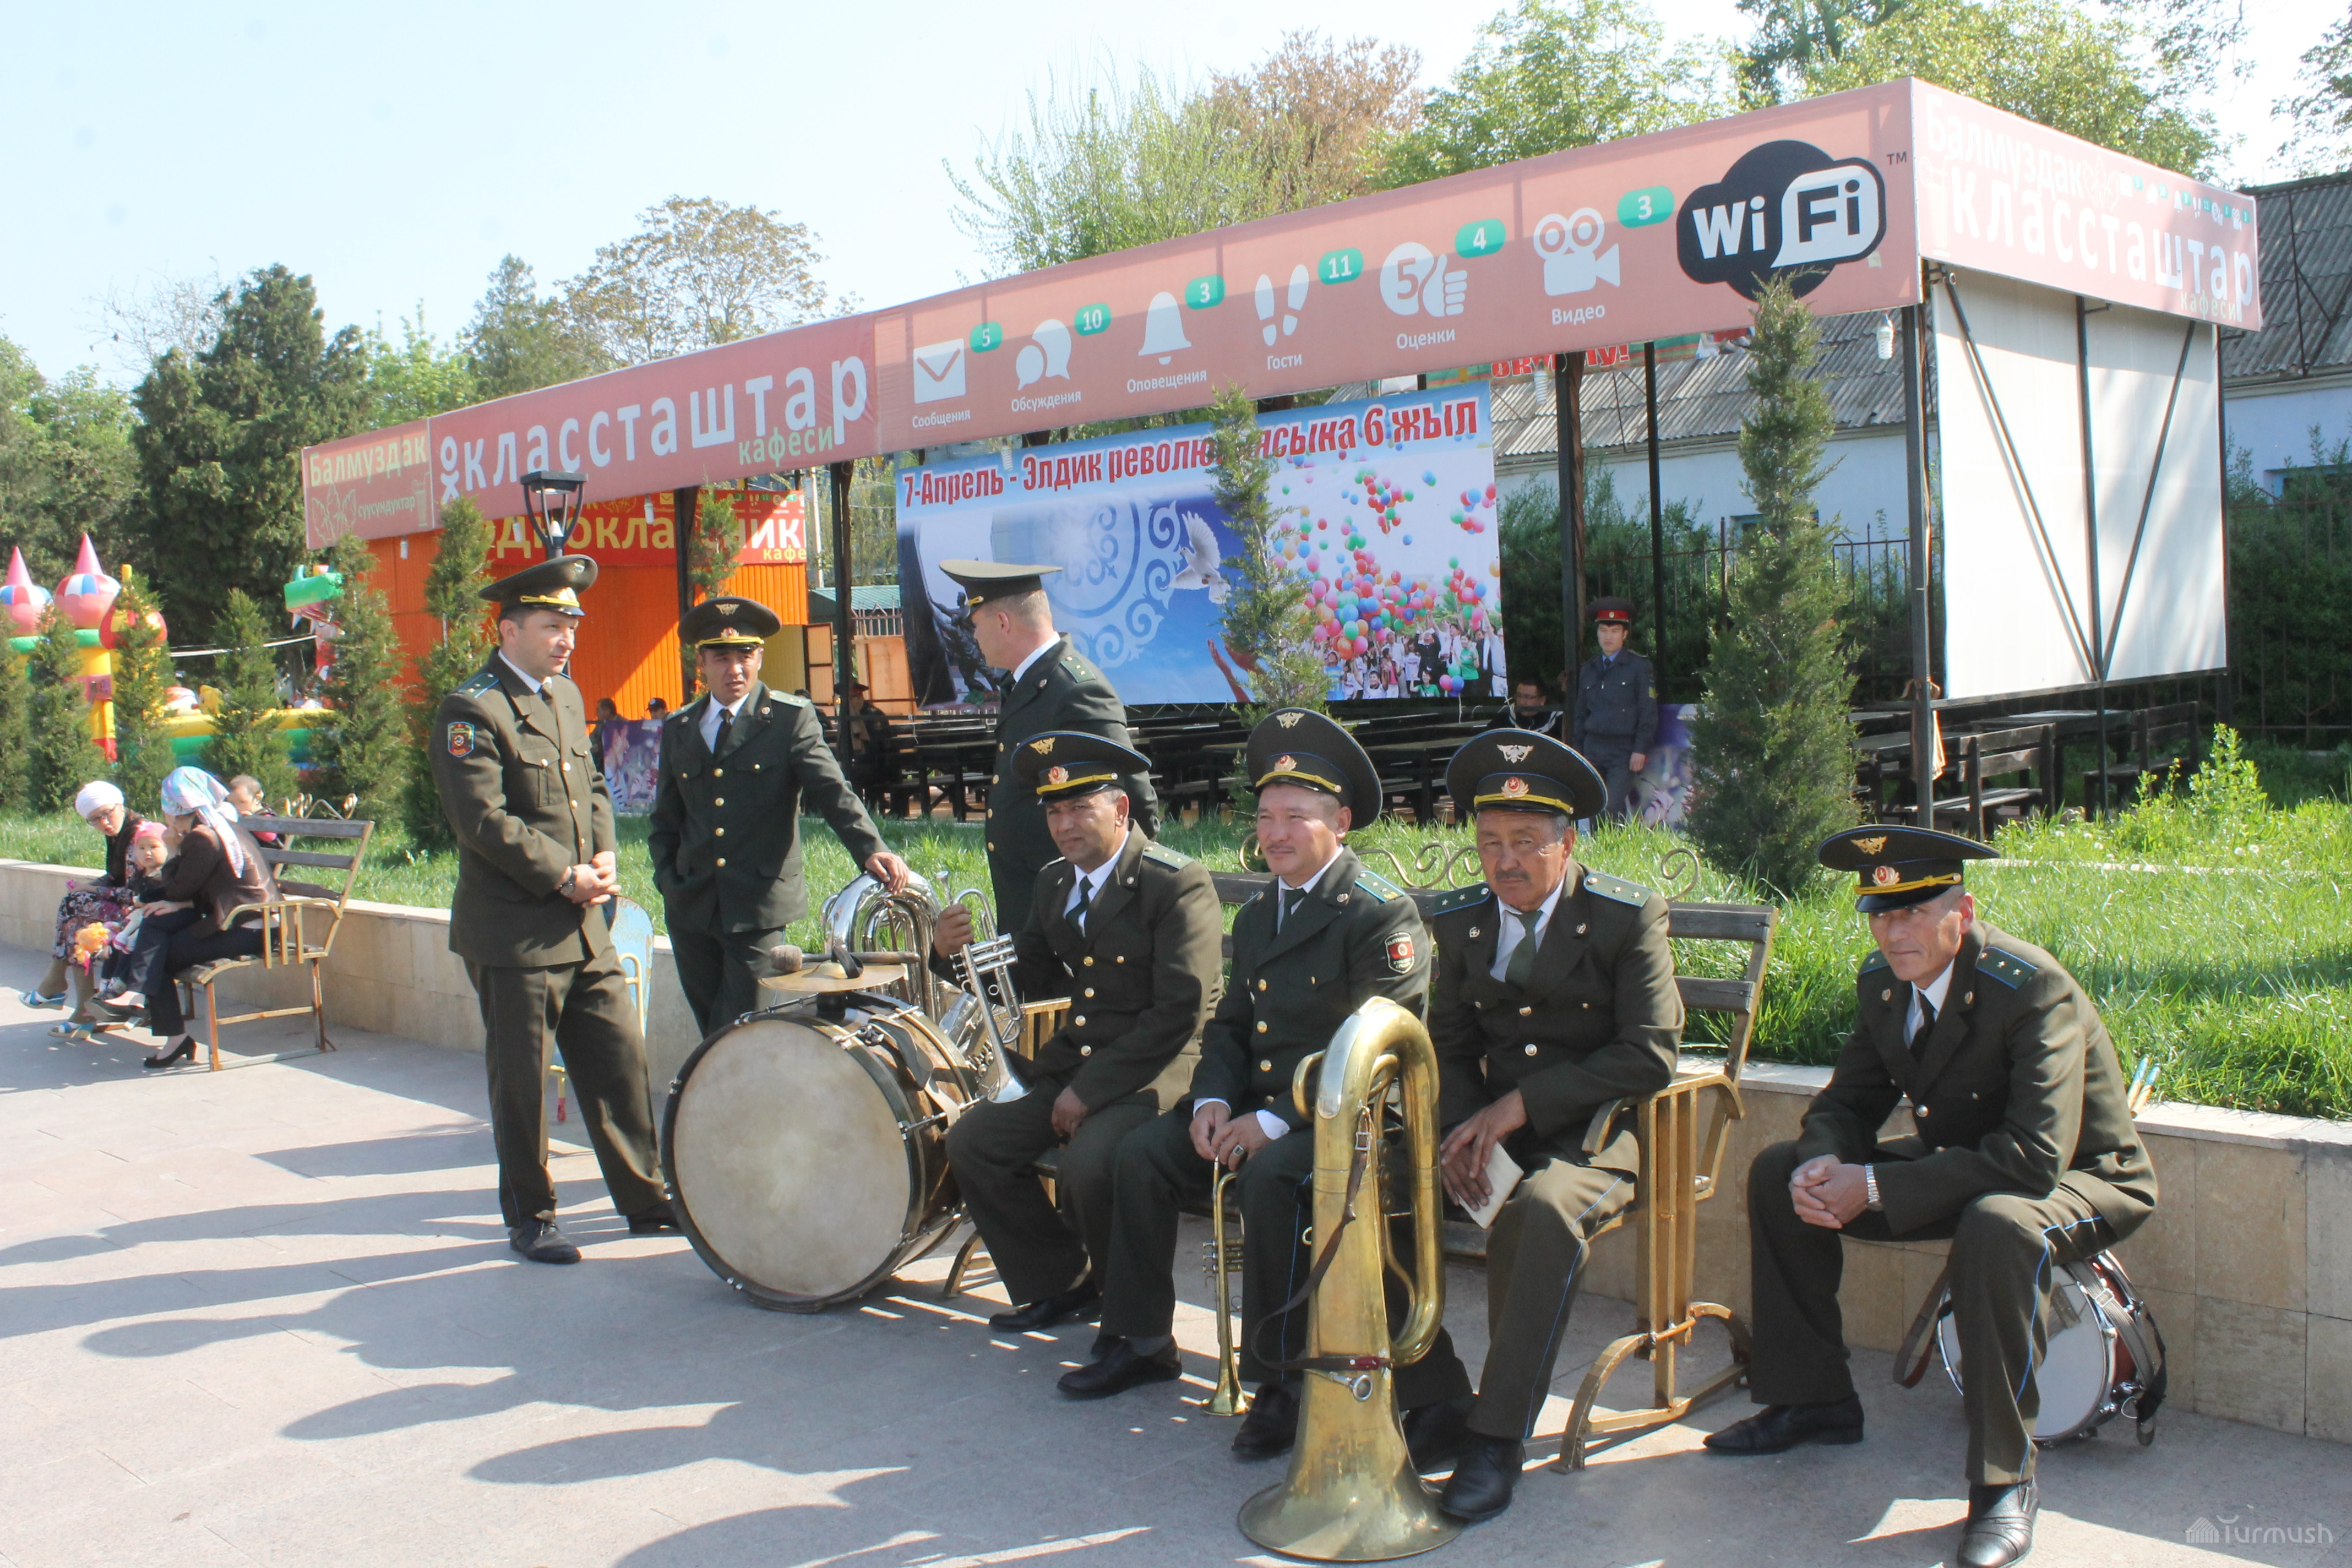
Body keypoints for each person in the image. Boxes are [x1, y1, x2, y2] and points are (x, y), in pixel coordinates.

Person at [1705, 827, 2159, 1568]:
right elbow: (1847, 1102)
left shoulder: (2030, 988)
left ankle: (2004, 1482)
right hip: (1969, 1167)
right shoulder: (1886, 984)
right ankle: (1814, 1400)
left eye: (1915, 911)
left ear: (1963, 911)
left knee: (2000, 1224)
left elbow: (2034, 1158)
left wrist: (1873, 1185)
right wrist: (1823, 1166)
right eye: (1881, 914)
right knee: (1778, 1172)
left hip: (2083, 1177)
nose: (1895, 931)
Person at [1064, 709, 1472, 1467]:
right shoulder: (1258, 914)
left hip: (1349, 1121)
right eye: (1265, 816)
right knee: (1142, 1153)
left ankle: (1279, 1381)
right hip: (1255, 1109)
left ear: (1340, 822)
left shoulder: (1380, 914)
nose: (1275, 833)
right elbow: (1229, 1026)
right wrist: (1213, 1101)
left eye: (1296, 817)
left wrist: (1275, 1122)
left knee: (1272, 1179)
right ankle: (1140, 1338)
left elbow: (1375, 1055)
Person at [1422, 731, 1684, 1520]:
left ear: (1567, 844)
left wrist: (1520, 1107)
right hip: (1487, 1129)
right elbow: (1447, 1043)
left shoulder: (1624, 918)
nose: (1505, 862)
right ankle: (1432, 1395)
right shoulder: (1461, 921)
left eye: (1527, 842)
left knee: (1538, 1210)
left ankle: (1496, 1437)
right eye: (1490, 842)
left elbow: (1650, 1053)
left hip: (1595, 1137)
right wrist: (1461, 1130)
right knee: (1369, 1185)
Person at [929, 731, 1222, 1334]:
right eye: (1054, 812)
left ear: (1120, 809)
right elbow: (1029, 977)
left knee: (1092, 1163)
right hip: (1080, 1062)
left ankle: (1135, 1331)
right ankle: (1060, 1282)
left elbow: (1179, 1012)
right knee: (975, 1143)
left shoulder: (1175, 882)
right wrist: (950, 955)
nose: (1064, 826)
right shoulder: (1056, 882)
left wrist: (1088, 1091)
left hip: (1162, 1068)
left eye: (1080, 809)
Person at [429, 554, 674, 1265]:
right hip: (518, 933)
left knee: (619, 1061)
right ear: (508, 630)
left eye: (572, 624)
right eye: (550, 625)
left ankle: (645, 1197)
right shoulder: (472, 709)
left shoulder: (564, 695)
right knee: (523, 1083)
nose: (566, 639)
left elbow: (591, 785)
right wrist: (563, 874)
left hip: (586, 922)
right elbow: (482, 819)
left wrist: (605, 854)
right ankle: (531, 1215)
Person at [647, 595, 911, 1038]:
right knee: (711, 1030)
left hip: (757, 903)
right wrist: (667, 880)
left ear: (760, 658)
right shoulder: (681, 727)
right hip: (691, 903)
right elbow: (666, 818)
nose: (735, 669)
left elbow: (832, 791)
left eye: (745, 656)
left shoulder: (789, 719)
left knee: (739, 1028)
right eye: (722, 657)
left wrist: (871, 848)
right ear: (702, 663)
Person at [939, 560, 1157, 933]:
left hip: (1073, 912)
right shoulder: (1026, 683)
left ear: (1003, 622)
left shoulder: (1075, 688)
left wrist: (1114, 903)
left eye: (976, 625)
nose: (974, 637)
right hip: (1035, 903)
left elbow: (1135, 801)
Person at [94, 768, 278, 1069]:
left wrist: (172, 849)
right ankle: (137, 996)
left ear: (173, 809)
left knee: (159, 954)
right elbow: (197, 887)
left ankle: (162, 1023)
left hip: (248, 928)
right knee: (156, 920)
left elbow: (178, 887)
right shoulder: (218, 827)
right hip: (238, 919)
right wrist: (174, 903)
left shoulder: (202, 837)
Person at [21, 781, 146, 1038]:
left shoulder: (139, 836)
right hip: (129, 909)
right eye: (95, 820)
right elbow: (115, 878)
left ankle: (59, 987)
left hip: (144, 914)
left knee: (76, 908)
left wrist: (90, 890)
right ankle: (77, 1003)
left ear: (120, 805)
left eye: (107, 813)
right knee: (75, 909)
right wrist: (90, 886)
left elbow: (136, 895)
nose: (104, 823)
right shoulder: (118, 835)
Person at [1570, 598, 1659, 824]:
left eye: (1615, 631)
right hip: (1592, 747)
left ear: (1625, 634)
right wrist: (1578, 750)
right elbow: (1580, 714)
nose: (1608, 637)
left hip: (1623, 749)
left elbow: (1647, 711)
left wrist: (1640, 749)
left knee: (1610, 806)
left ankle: (1613, 842)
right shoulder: (1588, 669)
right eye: (1603, 630)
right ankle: (1605, 846)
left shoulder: (1639, 667)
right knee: (1594, 805)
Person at [839, 677, 895, 809]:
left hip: (878, 764)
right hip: (859, 763)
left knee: (854, 774)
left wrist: (857, 760)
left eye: (854, 697)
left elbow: (877, 745)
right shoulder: (848, 715)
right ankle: (855, 809)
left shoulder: (872, 715)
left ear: (860, 697)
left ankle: (867, 808)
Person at [1484, 677, 1561, 738]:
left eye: (1528, 697)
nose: (1522, 702)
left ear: (1542, 700)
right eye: (1519, 696)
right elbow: (1488, 738)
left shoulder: (1558, 718)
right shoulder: (1507, 714)